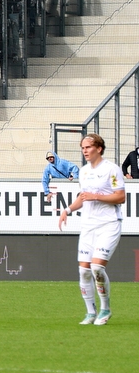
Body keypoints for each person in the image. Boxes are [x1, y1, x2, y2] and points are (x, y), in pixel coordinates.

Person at [58, 134, 125, 326]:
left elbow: (120, 197)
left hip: (108, 224)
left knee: (96, 267)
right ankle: (90, 312)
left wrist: (96, 196)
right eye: (83, 148)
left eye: (88, 147)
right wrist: (68, 210)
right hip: (88, 225)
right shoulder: (84, 171)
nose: (85, 151)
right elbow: (83, 197)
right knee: (84, 271)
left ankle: (105, 308)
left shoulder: (112, 169)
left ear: (99, 148)